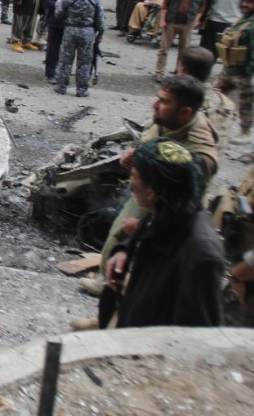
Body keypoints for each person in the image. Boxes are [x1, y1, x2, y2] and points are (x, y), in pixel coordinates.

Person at [74, 75, 220, 309]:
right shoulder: (165, 117)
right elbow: (148, 140)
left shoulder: (200, 149)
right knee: (117, 236)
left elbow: (186, 200)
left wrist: (148, 227)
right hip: (148, 193)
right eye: (158, 98)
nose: (155, 105)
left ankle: (129, 297)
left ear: (185, 112)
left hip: (171, 209)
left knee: (152, 263)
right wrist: (134, 155)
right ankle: (108, 285)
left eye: (164, 101)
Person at [101, 138, 223, 328]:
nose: (130, 183)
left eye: (133, 176)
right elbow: (153, 233)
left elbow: (197, 332)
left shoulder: (201, 256)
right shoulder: (169, 208)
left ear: (151, 191)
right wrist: (125, 250)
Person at [213, 0, 254, 146]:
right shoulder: (242, 20)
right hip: (229, 69)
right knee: (214, 94)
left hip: (243, 73)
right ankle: (216, 124)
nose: (245, 4)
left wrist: (249, 72)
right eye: (244, 0)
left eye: (250, 1)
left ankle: (245, 131)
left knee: (245, 103)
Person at [54, 0, 105, 98]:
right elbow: (100, 18)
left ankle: (61, 87)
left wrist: (57, 6)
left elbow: (58, 15)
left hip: (70, 30)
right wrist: (100, 34)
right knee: (85, 62)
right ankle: (82, 89)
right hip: (87, 32)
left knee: (65, 60)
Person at [178, 46, 235, 156]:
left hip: (187, 161)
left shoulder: (181, 102)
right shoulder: (226, 102)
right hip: (213, 158)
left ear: (182, 70)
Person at [155, 0, 207, 81]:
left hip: (187, 23)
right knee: (164, 48)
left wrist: (197, 20)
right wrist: (162, 20)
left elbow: (202, 5)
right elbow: (166, 3)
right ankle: (159, 71)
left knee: (184, 51)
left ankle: (179, 72)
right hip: (172, 20)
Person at [42, 0, 74, 82]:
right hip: (56, 22)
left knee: (67, 50)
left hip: (70, 24)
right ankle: (50, 73)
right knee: (53, 48)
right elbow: (45, 0)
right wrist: (54, 3)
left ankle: (62, 72)